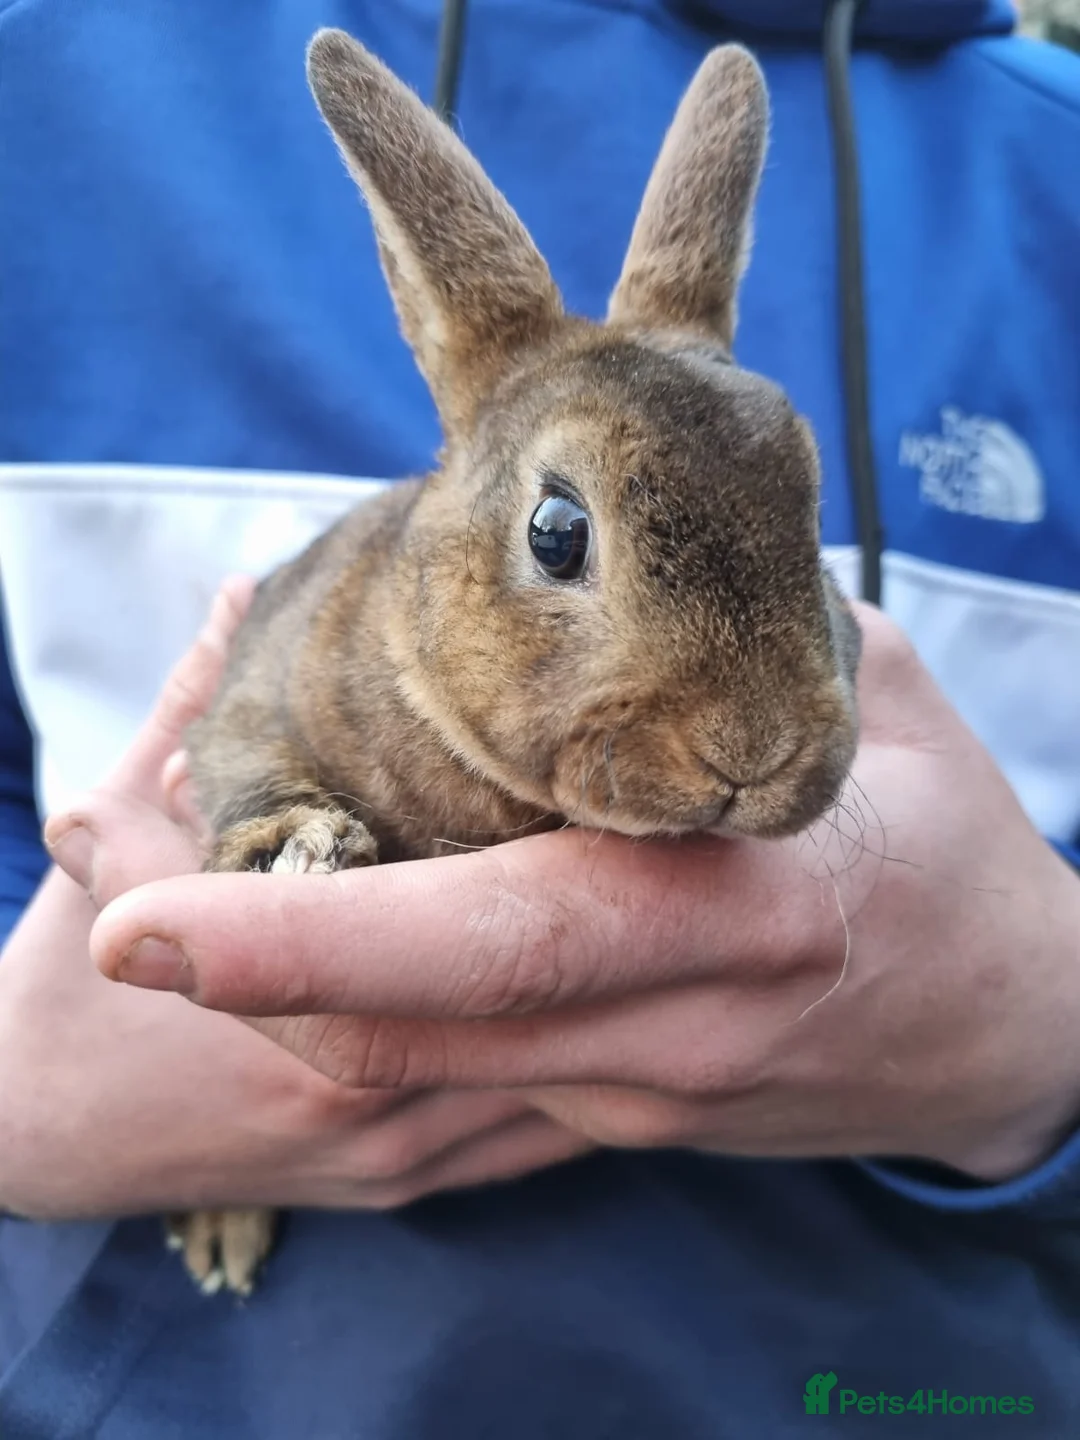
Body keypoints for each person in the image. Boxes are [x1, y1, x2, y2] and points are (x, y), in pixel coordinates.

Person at [2, 0, 1079, 1435]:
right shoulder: (51, 77)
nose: (753, 742)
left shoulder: (1044, 166)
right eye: (563, 541)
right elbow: (235, 724)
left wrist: (1044, 1054)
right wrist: (22, 1114)